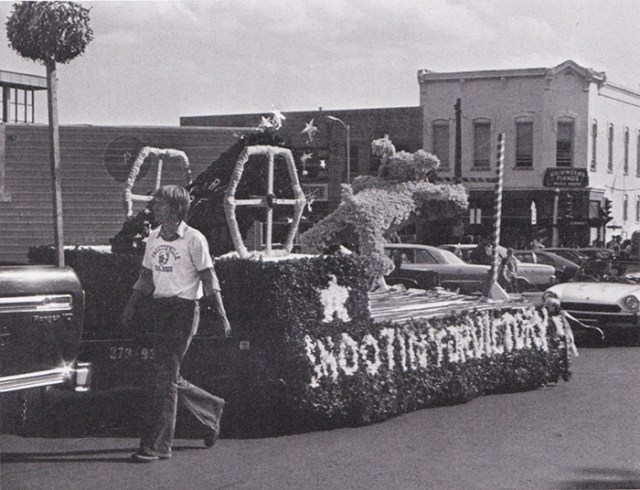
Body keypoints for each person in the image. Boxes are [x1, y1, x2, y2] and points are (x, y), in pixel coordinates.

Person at [122, 185, 231, 463]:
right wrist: (130, 307)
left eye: (159, 204)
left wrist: (221, 315)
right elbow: (146, 276)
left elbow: (209, 279)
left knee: (165, 379)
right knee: (167, 376)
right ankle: (211, 411)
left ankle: (157, 446)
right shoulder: (154, 238)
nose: (154, 208)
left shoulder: (194, 239)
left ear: (176, 209)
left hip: (184, 311)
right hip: (160, 310)